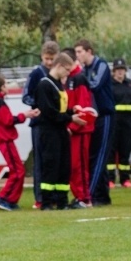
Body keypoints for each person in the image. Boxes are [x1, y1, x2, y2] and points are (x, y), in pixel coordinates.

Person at [34, 53, 87, 209]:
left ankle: (62, 201)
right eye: (67, 70)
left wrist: (72, 111)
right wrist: (71, 119)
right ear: (59, 66)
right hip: (49, 132)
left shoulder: (58, 84)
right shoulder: (44, 85)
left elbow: (60, 110)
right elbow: (50, 112)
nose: (68, 74)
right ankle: (47, 202)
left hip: (61, 131)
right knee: (51, 166)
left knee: (64, 167)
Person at [0, 74, 40, 211]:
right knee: (17, 171)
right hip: (5, 140)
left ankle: (11, 200)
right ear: (1, 87)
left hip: (6, 140)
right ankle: (2, 197)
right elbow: (8, 120)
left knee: (19, 170)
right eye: (6, 84)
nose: (8, 87)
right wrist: (25, 115)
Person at [75, 39, 115, 206]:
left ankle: (88, 196)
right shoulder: (86, 69)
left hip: (105, 116)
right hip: (94, 117)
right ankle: (102, 196)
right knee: (95, 156)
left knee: (98, 156)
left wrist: (79, 74)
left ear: (89, 51)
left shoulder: (101, 65)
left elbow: (95, 85)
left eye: (79, 52)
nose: (78, 55)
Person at [22, 41, 60, 209]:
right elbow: (25, 96)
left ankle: (53, 196)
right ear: (42, 56)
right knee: (40, 161)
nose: (49, 62)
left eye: (52, 59)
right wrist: (38, 104)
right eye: (47, 59)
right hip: (39, 123)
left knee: (54, 161)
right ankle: (39, 197)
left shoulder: (59, 74)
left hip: (55, 123)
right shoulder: (36, 73)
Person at [61, 48, 95, 209]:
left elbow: (84, 106)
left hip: (81, 130)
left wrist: (73, 126)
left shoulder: (79, 78)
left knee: (79, 165)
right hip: (74, 129)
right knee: (74, 165)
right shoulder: (70, 78)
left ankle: (84, 198)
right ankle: (78, 196)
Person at [109, 58, 131, 188]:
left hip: (128, 123)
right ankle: (110, 179)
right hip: (114, 122)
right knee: (111, 150)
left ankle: (125, 178)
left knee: (125, 150)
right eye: (117, 70)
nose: (120, 72)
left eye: (122, 69)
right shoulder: (109, 85)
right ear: (113, 71)